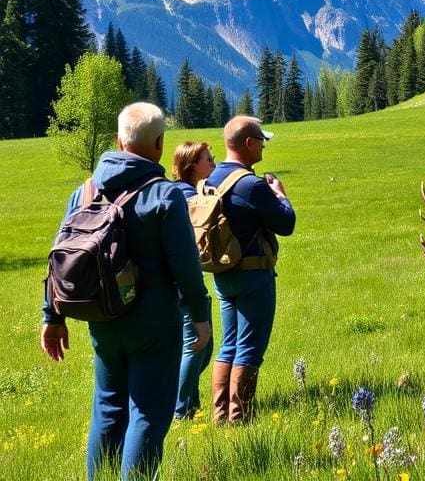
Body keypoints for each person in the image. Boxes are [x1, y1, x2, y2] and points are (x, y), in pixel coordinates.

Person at [41, 102, 211, 481]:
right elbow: (186, 267)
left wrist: (52, 316)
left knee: (107, 408)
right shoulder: (164, 195)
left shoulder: (83, 192)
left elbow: (59, 254)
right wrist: (199, 317)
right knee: (147, 414)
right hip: (155, 325)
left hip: (101, 318)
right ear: (159, 145)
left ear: (118, 141)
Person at [208, 115, 295, 424]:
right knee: (249, 349)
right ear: (248, 143)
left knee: (228, 345)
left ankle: (220, 416)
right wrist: (280, 193)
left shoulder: (211, 179)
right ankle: (239, 418)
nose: (263, 146)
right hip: (253, 275)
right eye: (261, 140)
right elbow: (286, 224)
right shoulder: (251, 185)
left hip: (224, 275)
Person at [170, 141, 217, 420]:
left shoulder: (178, 191)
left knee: (202, 344)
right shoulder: (189, 197)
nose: (213, 163)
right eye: (207, 159)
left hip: (176, 280)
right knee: (197, 342)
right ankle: (180, 408)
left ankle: (191, 402)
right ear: (191, 166)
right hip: (184, 280)